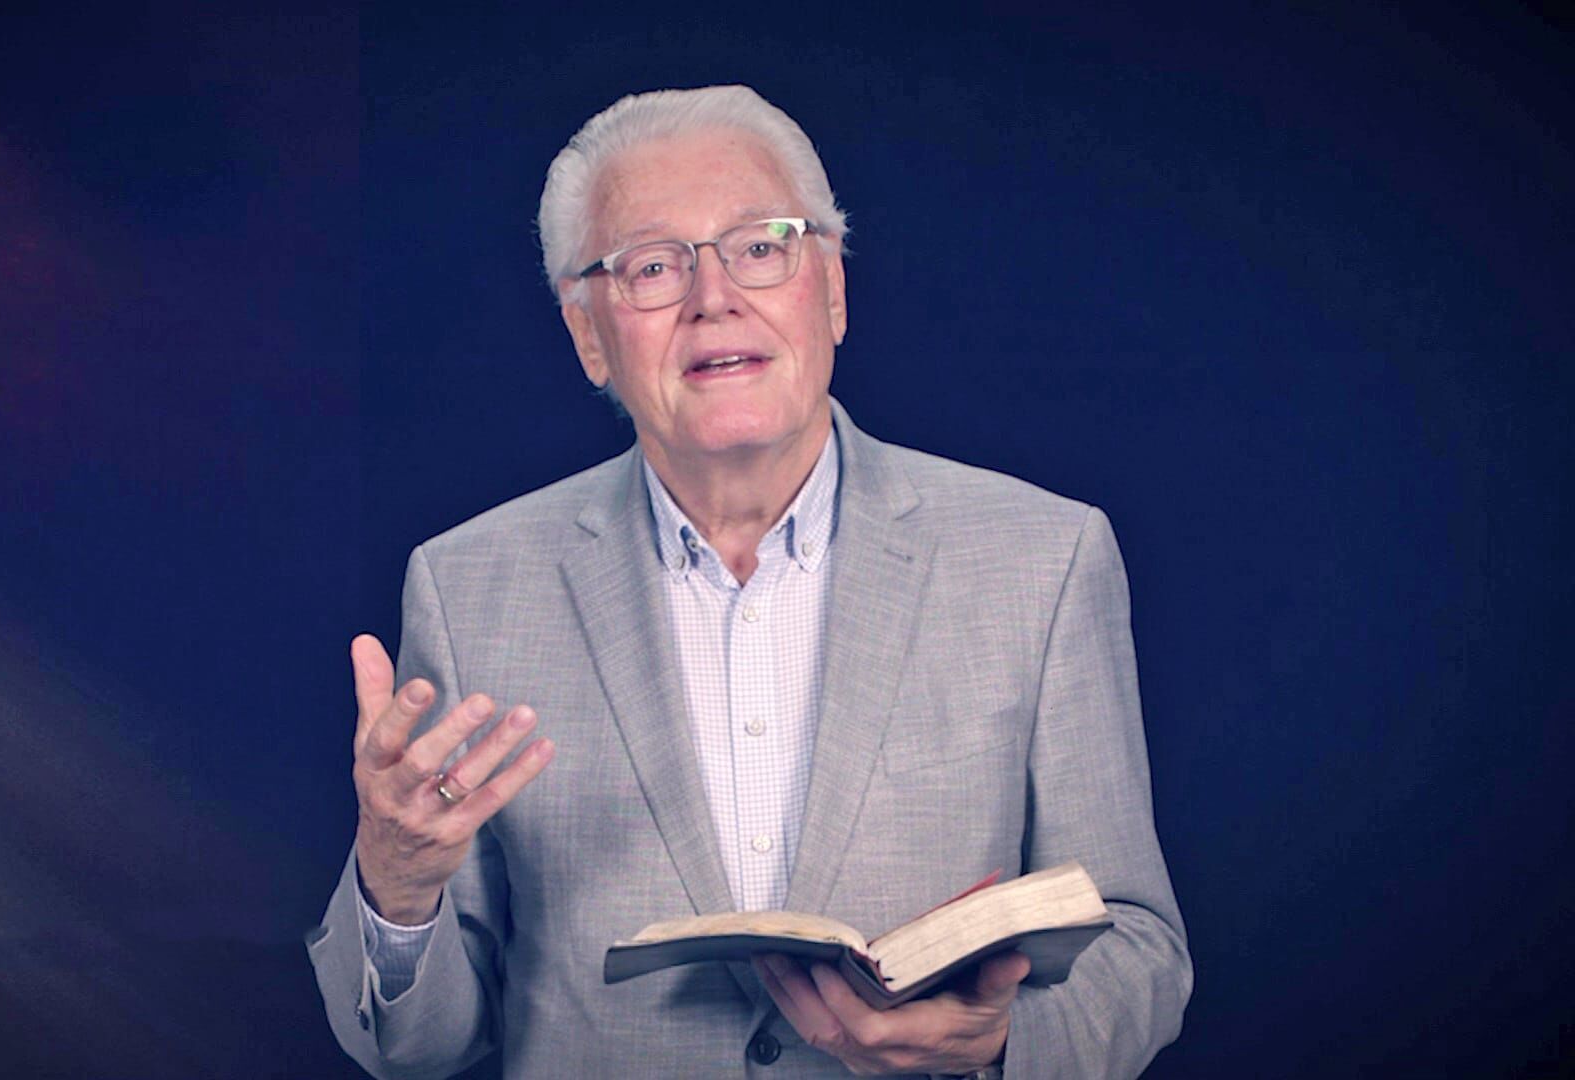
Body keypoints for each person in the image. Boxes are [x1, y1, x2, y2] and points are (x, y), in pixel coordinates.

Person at [308, 85, 1190, 1078]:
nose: (714, 297)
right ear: (588, 334)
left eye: (761, 247)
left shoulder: (1046, 558)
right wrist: (398, 885)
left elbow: (1142, 951)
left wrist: (1000, 1043)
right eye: (652, 266)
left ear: (834, 289)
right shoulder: (469, 586)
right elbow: (417, 1051)